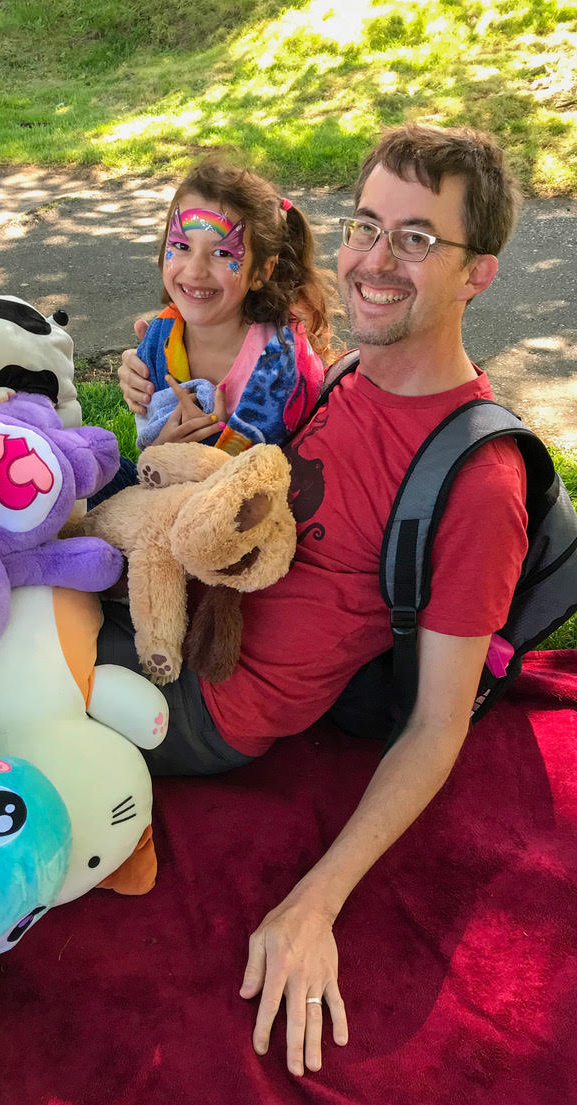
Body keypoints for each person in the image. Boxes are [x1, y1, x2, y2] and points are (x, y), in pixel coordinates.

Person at [102, 123, 528, 1077]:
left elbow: (435, 726)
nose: (375, 261)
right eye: (367, 224)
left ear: (478, 274)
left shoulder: (477, 478)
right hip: (181, 602)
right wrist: (162, 403)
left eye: (417, 238)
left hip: (205, 704)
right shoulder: (336, 375)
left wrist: (316, 899)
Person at [88, 156, 334, 508]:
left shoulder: (282, 367)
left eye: (221, 253)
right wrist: (163, 452)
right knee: (80, 466)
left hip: (244, 521)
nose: (195, 270)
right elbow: (151, 460)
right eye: (182, 247)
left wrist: (204, 458)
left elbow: (291, 484)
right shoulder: (162, 337)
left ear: (261, 271)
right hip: (162, 503)